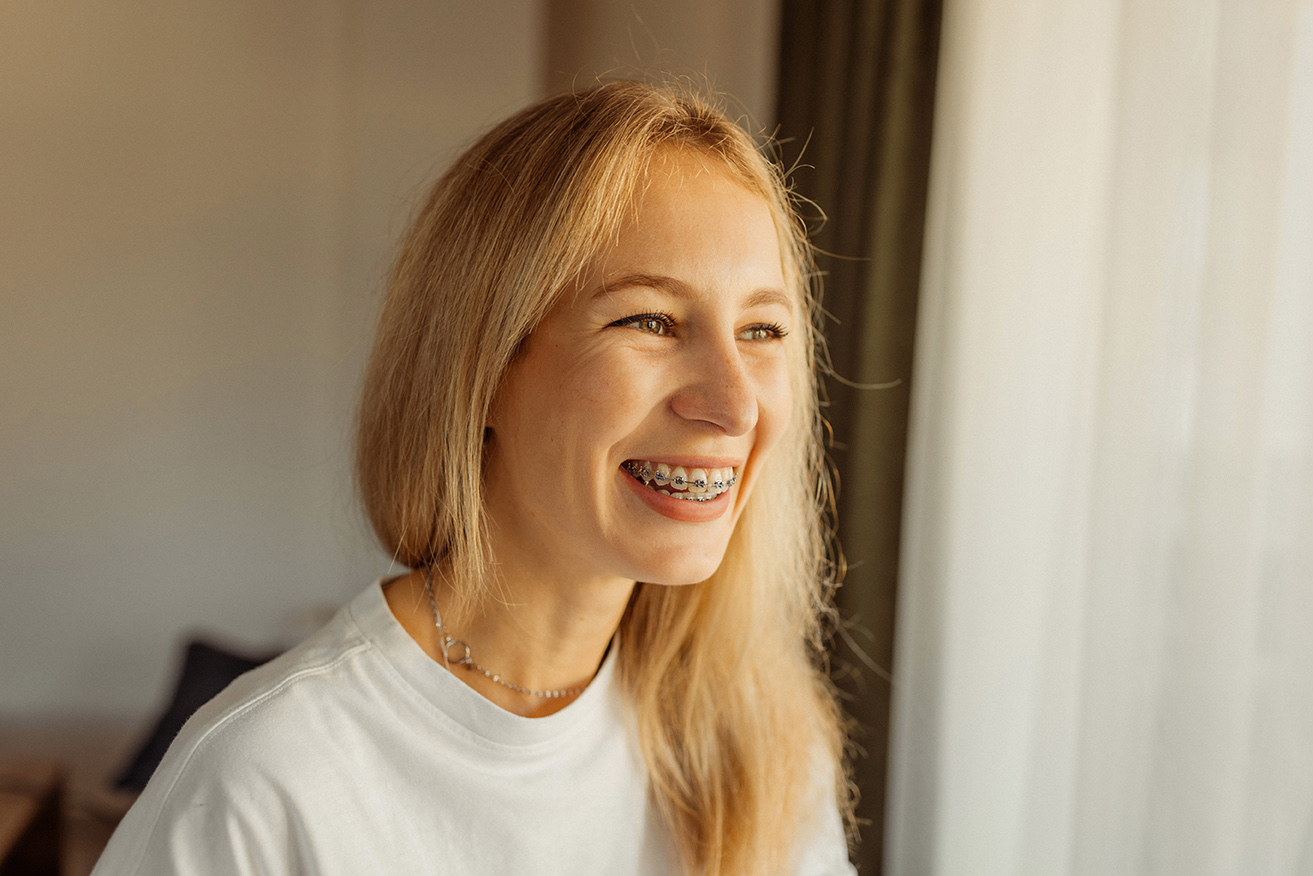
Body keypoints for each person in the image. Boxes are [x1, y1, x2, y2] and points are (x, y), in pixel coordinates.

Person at [92, 80, 856, 875]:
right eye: (650, 321)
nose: (735, 405)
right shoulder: (262, 784)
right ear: (482, 369)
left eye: (761, 329)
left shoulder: (764, 749)